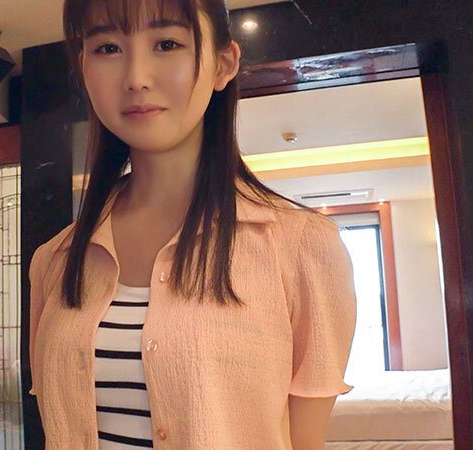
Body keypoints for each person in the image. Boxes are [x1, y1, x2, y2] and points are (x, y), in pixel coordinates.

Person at [28, 0, 358, 448]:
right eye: (108, 48)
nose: (136, 78)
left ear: (224, 65)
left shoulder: (302, 246)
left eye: (167, 43)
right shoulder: (53, 260)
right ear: (85, 68)